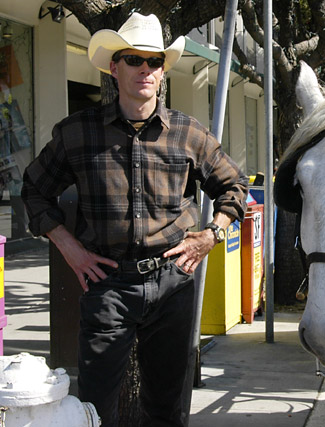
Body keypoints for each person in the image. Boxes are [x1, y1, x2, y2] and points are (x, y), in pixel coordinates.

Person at [21, 12, 248, 427]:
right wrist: (70, 248)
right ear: (114, 66)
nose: (145, 69)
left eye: (154, 61)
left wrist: (211, 235)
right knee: (94, 409)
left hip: (172, 281)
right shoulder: (78, 132)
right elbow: (34, 190)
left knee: (167, 409)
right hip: (106, 284)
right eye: (133, 59)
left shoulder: (187, 132)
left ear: (163, 71)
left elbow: (234, 187)